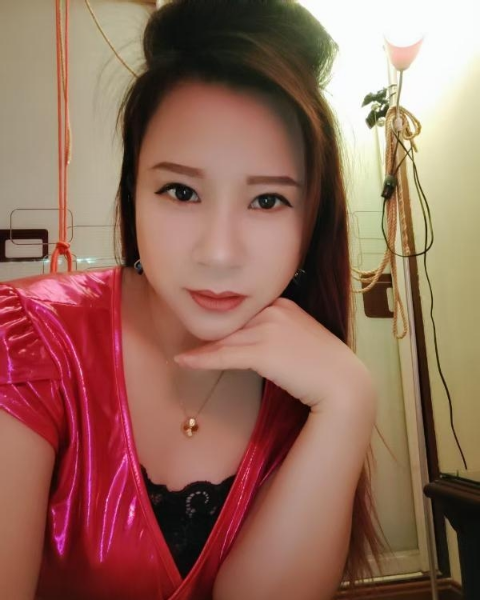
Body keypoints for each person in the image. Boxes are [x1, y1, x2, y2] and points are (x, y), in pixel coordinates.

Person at [0, 1, 386, 598]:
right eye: (181, 191)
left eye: (267, 201)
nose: (219, 253)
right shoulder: (27, 338)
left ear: (313, 218)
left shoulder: (308, 389)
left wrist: (349, 401)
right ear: (133, 191)